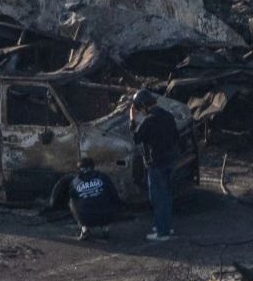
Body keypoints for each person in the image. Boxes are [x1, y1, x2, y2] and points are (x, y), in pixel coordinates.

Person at [130, 90, 179, 241]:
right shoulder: (168, 116)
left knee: (157, 198)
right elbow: (176, 137)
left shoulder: (149, 121)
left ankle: (162, 232)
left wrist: (132, 118)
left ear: (144, 106)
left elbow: (135, 138)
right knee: (167, 196)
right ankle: (165, 226)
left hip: (156, 163)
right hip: (170, 160)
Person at [50, 156, 119, 241]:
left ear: (79, 168)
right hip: (106, 215)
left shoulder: (75, 181)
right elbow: (114, 194)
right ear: (93, 167)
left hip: (86, 218)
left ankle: (84, 229)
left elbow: (72, 196)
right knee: (107, 196)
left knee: (72, 201)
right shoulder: (103, 176)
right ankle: (105, 229)